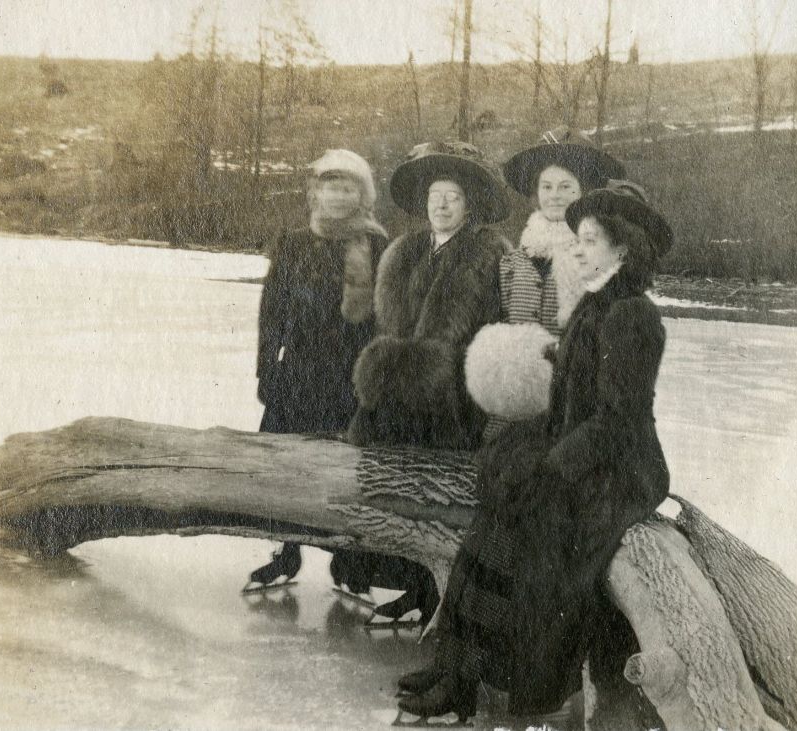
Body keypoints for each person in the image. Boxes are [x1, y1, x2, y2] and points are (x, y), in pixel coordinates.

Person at [396, 182, 674, 724]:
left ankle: (490, 681)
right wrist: (531, 446)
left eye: (590, 241)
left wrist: (551, 466)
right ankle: (456, 668)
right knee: (489, 522)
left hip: (618, 468)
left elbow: (617, 422)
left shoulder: (634, 317)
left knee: (530, 538)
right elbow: (574, 400)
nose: (577, 250)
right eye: (578, 239)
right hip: (582, 448)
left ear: (623, 249)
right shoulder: (599, 303)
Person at [246, 149, 388, 593]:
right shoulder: (293, 242)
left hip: (351, 378)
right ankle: (286, 552)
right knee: (285, 466)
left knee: (344, 468)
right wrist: (266, 369)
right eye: (330, 187)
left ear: (362, 196)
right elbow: (271, 312)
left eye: (348, 188)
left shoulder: (378, 245)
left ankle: (348, 562)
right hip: (300, 374)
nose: (338, 196)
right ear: (316, 193)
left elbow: (387, 319)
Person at [347, 140, 512, 450]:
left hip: (454, 403)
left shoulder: (491, 255)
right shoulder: (403, 252)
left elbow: (495, 334)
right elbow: (385, 327)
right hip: (392, 403)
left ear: (469, 205)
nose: (442, 205)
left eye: (453, 198)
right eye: (434, 197)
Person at [465, 127, 626, 433]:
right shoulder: (511, 262)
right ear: (536, 194)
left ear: (583, 193)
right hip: (512, 412)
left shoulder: (596, 264)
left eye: (566, 187)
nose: (555, 196)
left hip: (570, 409)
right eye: (547, 186)